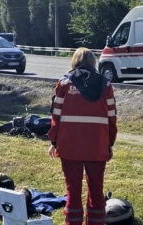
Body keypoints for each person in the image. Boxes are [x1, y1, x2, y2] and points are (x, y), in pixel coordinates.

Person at [48, 47, 117, 225]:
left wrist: (54, 142)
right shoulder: (106, 85)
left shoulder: (63, 83)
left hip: (69, 146)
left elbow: (55, 117)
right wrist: (109, 144)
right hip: (97, 147)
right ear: (93, 62)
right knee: (96, 189)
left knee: (73, 190)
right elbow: (111, 118)